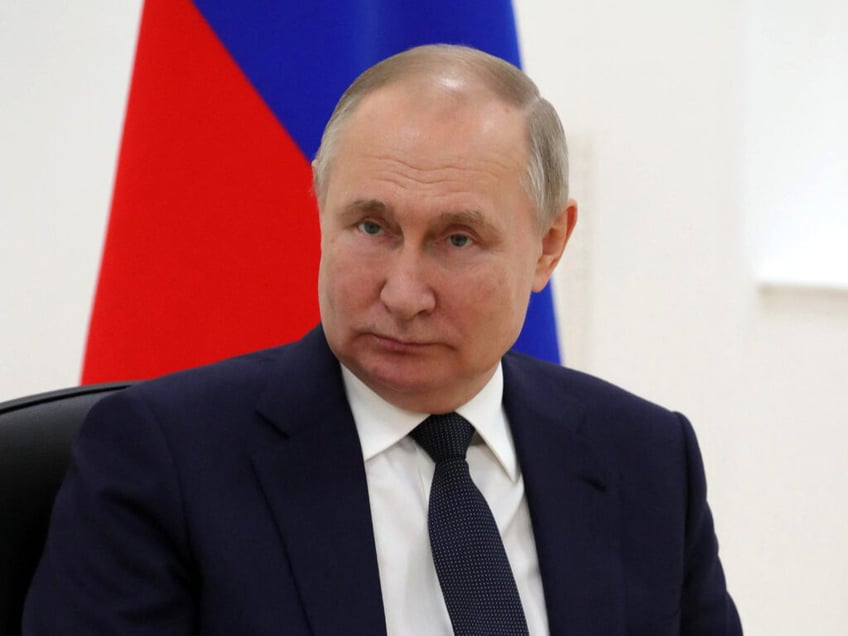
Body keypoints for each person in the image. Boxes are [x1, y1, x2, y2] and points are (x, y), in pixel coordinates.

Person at [24, 44, 741, 635]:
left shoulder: (646, 459)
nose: (402, 293)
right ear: (321, 207)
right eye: (371, 227)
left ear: (549, 246)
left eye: (457, 240)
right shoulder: (162, 460)